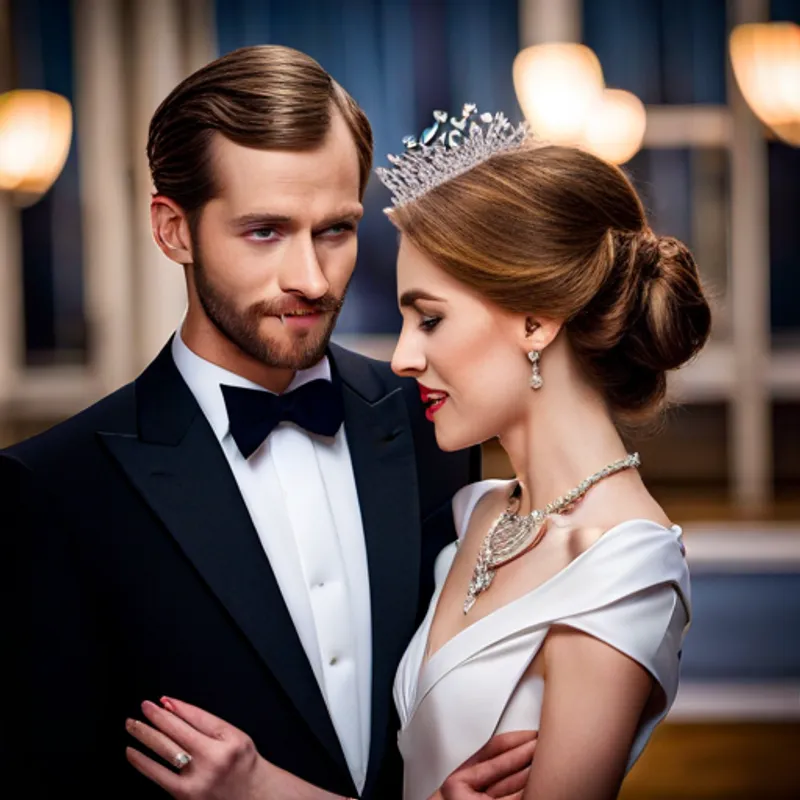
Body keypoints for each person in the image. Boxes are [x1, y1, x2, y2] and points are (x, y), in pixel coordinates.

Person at [123, 105, 708, 800]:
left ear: (535, 319)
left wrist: (258, 789)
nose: (401, 358)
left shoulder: (619, 568)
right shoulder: (482, 511)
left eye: (428, 319)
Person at [1, 49, 542, 799]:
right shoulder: (54, 488)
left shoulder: (430, 421)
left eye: (335, 230)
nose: (312, 280)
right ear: (173, 231)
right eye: (264, 231)